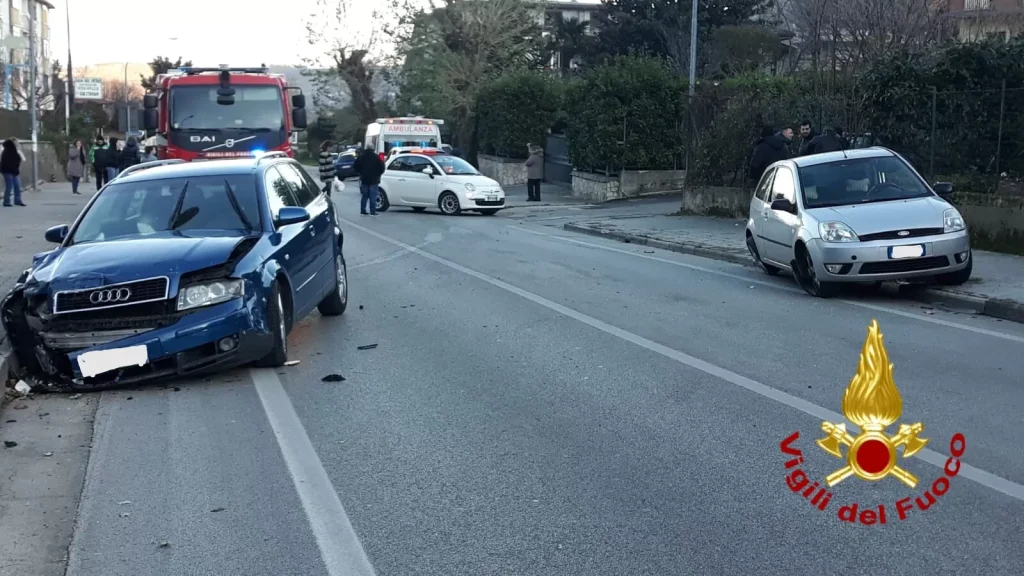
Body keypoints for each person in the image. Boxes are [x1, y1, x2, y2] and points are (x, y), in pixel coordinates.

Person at [352, 146, 384, 216]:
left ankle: (363, 211)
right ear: (373, 149)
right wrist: (378, 174)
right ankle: (373, 211)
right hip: (374, 179)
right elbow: (382, 167)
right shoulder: (376, 157)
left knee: (365, 195)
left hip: (364, 178)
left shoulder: (361, 157)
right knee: (373, 196)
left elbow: (355, 166)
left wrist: (360, 173)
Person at [1, 139, 24, 207]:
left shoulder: (14, 150)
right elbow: (9, 162)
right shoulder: (8, 151)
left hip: (13, 171)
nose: (17, 144)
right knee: (9, 186)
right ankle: (6, 201)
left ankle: (17, 201)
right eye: (16, 142)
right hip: (7, 171)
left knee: (17, 185)